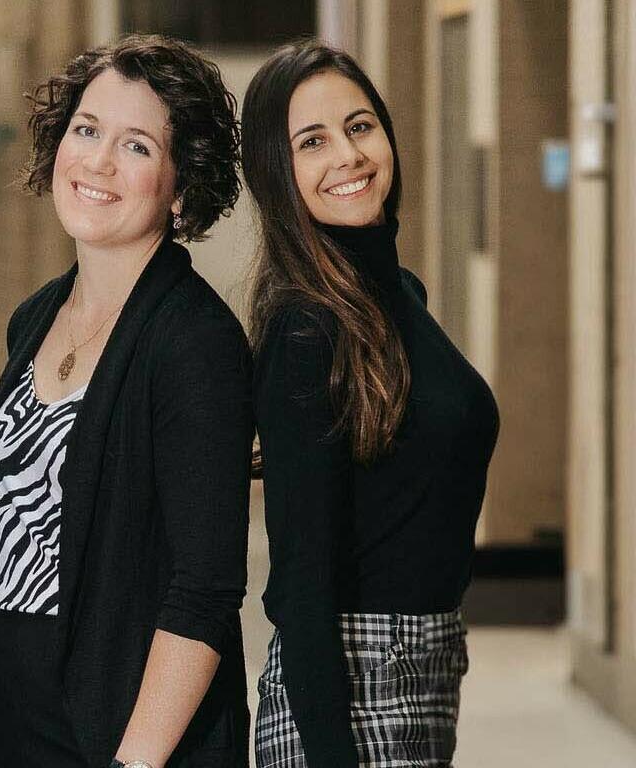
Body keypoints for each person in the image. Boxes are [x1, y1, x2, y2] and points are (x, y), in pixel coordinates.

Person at [0, 34, 253, 768]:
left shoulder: (194, 343)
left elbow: (206, 589)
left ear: (182, 187)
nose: (98, 161)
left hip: (123, 736)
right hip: (17, 719)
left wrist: (135, 762)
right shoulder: (34, 318)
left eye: (138, 146)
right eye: (86, 130)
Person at [243, 41, 500, 768]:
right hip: (349, 693)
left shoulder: (398, 296)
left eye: (359, 126)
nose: (348, 156)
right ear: (277, 172)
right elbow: (300, 583)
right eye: (311, 141)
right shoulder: (306, 328)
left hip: (423, 667)